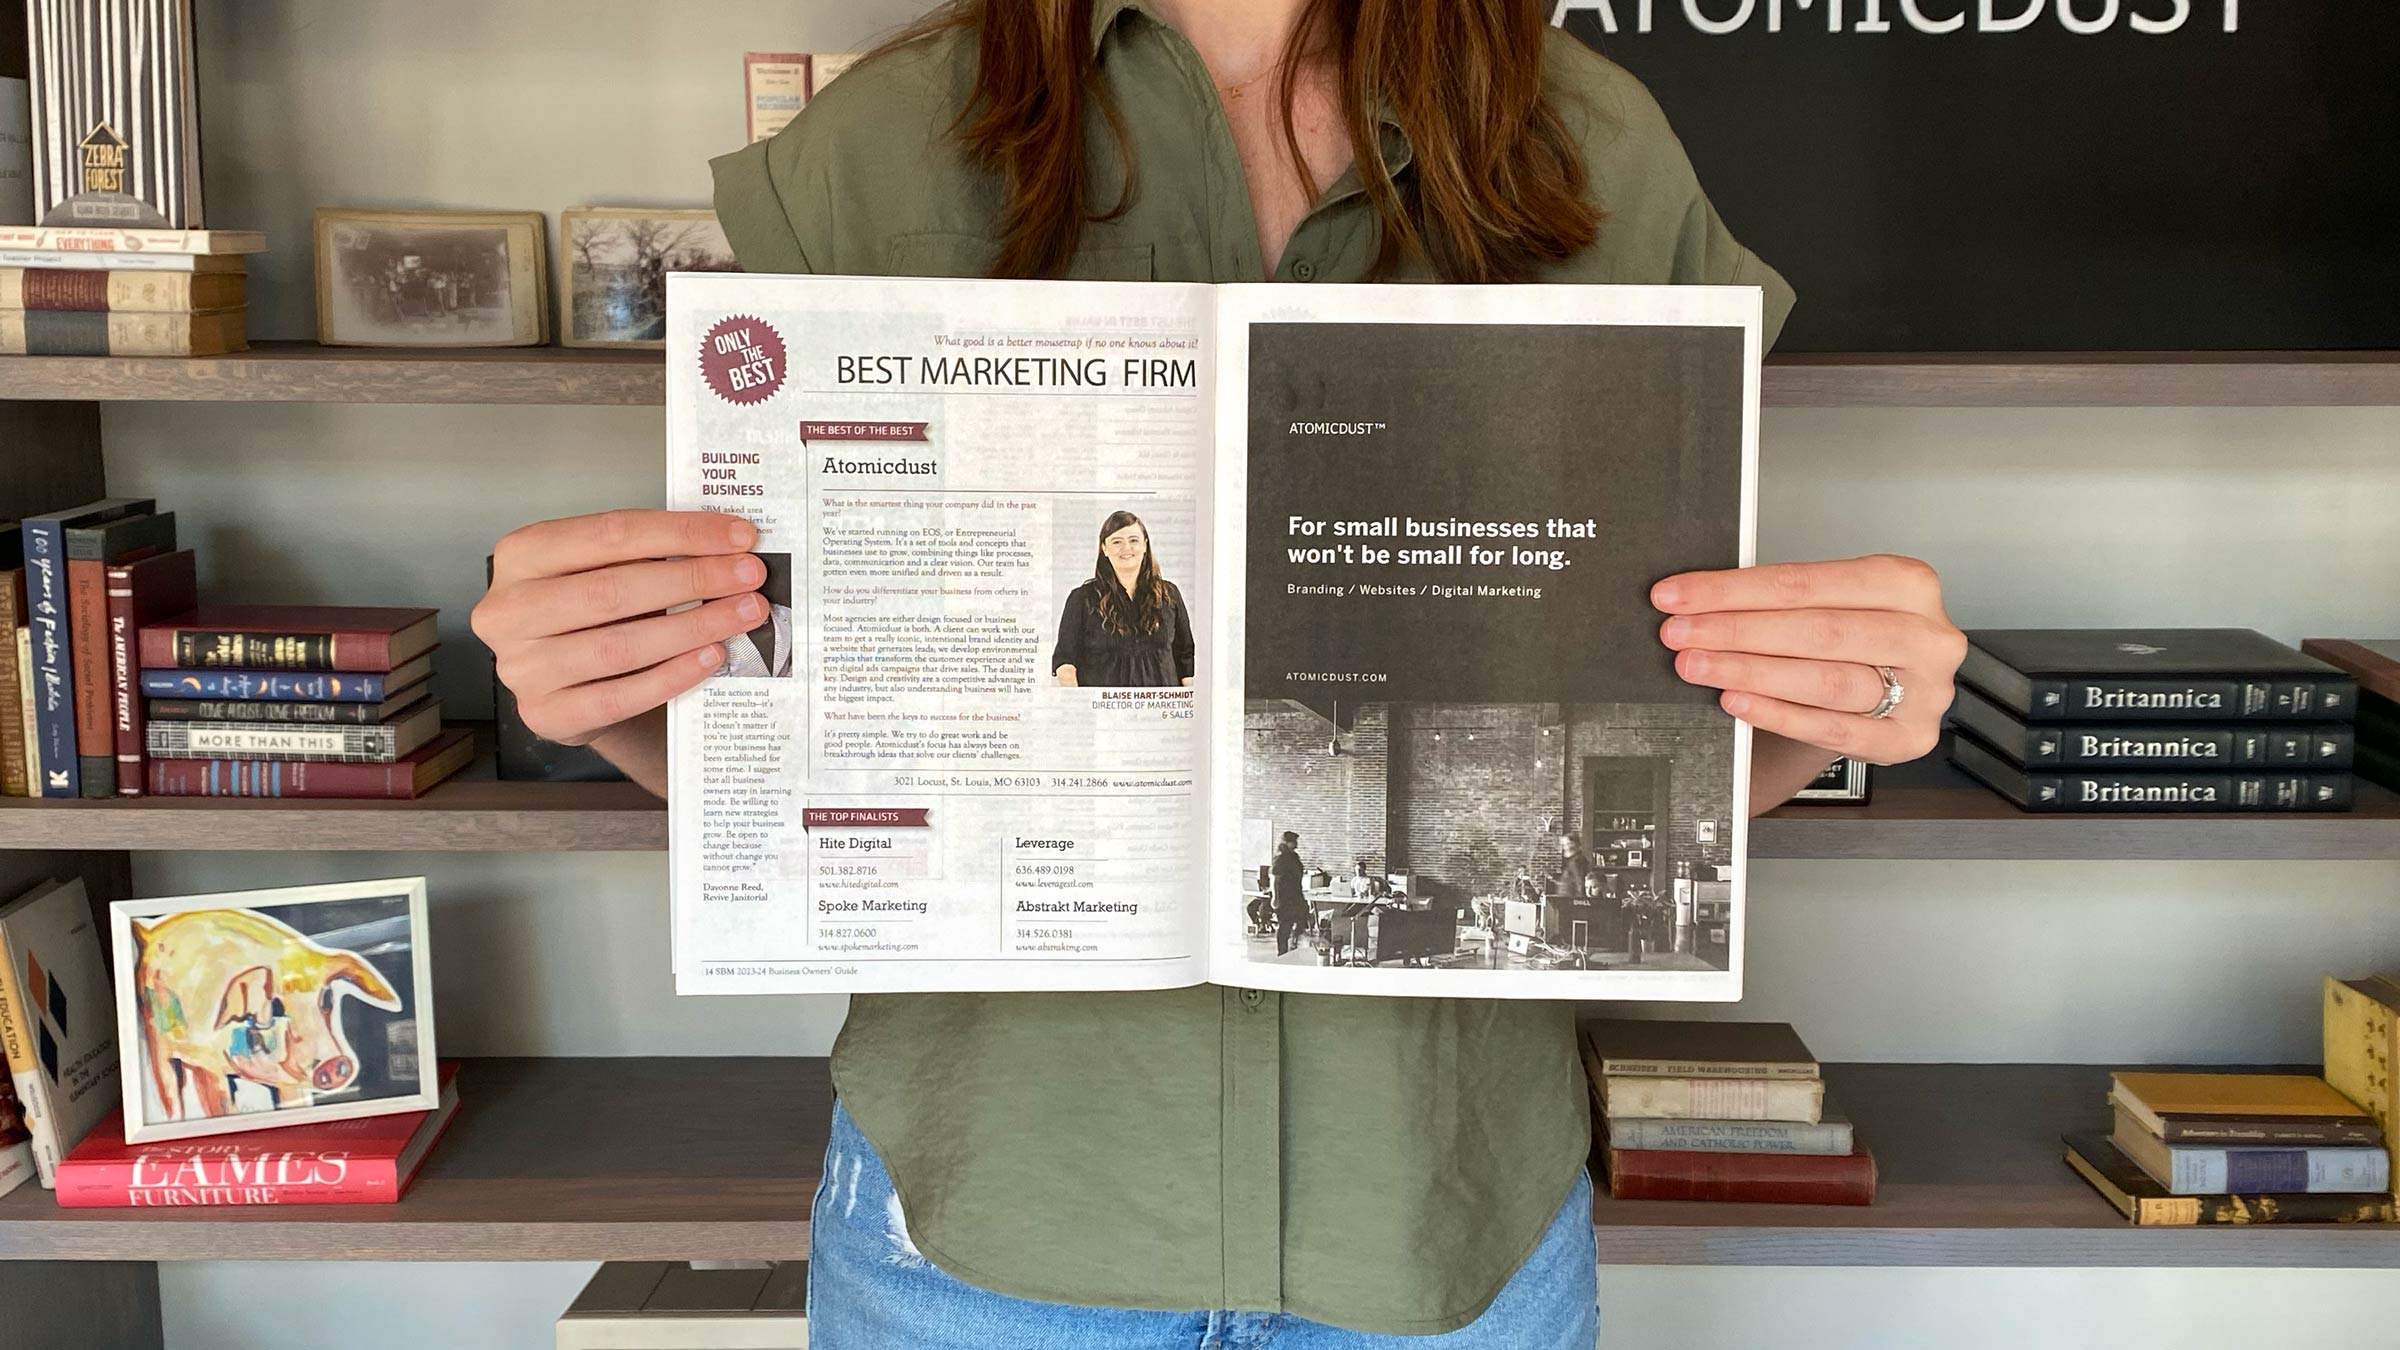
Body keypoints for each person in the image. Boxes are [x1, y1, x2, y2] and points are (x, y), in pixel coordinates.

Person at [471, 2, 1968, 1343]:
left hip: (1443, 1242)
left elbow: (1685, 708)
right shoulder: (878, 139)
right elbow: (772, 738)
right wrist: (611, 692)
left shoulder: (1586, 135)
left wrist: (1837, 708)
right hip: (987, 1242)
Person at [1051, 510, 1196, 688]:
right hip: (1104, 711)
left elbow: (1186, 656)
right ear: (1104, 548)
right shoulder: (1082, 598)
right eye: (1117, 541)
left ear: (1145, 545)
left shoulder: (1170, 594)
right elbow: (1065, 662)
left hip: (1162, 710)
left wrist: (1190, 706)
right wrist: (1078, 709)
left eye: (1133, 540)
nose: (1126, 548)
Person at [1271, 830, 1308, 958]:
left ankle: (1294, 942)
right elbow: (1275, 878)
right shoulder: (1280, 857)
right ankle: (1282, 952)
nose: (1296, 844)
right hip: (1285, 896)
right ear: (1287, 842)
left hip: (1296, 894)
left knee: (1303, 917)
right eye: (1294, 842)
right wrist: (1275, 898)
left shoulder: (1293, 857)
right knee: (1285, 925)